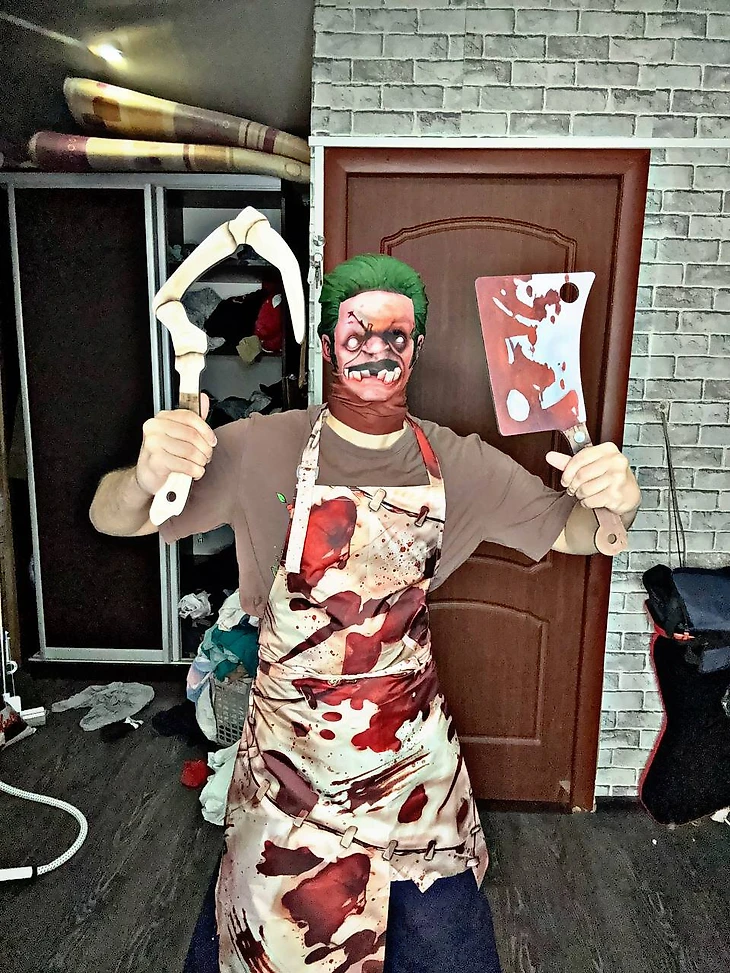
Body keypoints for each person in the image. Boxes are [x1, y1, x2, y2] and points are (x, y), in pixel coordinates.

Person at [90, 254, 641, 973]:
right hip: (291, 784)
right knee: (276, 945)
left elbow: (581, 532)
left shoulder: (459, 464)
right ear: (327, 346)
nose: (377, 350)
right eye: (357, 334)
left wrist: (616, 500)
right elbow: (113, 516)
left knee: (446, 949)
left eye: (396, 336)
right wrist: (142, 477)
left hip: (413, 782)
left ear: (416, 348)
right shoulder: (260, 448)